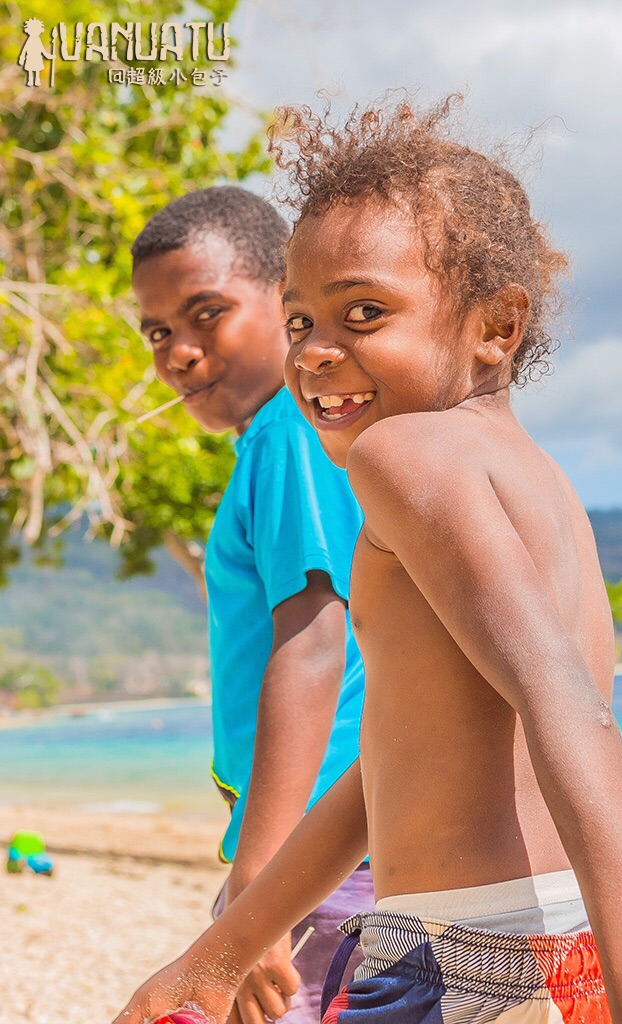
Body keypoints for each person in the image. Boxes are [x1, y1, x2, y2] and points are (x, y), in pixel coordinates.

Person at [115, 101, 622, 1024]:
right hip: (552, 945)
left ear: (495, 327)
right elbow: (378, 777)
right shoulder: (541, 487)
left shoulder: (401, 456)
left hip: (458, 956)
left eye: (364, 312)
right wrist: (216, 958)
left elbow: (567, 709)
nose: (318, 353)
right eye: (299, 323)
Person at [130, 186, 373, 1023]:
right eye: (159, 331)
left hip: (322, 851)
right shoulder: (289, 438)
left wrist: (263, 887)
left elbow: (313, 642)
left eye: (207, 314)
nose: (180, 352)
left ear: (285, 300)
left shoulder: (287, 435)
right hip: (325, 843)